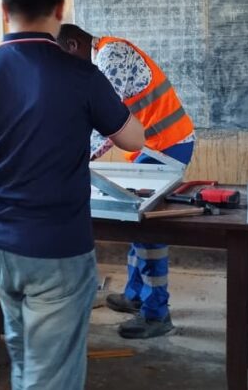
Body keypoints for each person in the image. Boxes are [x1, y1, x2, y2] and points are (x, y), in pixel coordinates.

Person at [0, 0, 145, 390]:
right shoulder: (81, 75)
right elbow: (134, 140)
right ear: (60, 8)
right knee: (52, 372)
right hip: (58, 247)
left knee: (22, 348)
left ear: (4, 9)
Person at [57, 24, 195, 339]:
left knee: (148, 230)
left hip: (167, 146)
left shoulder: (111, 55)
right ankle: (136, 295)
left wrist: (73, 160)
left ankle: (156, 313)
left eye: (63, 60)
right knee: (136, 222)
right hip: (156, 147)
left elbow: (108, 122)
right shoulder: (104, 55)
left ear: (74, 45)